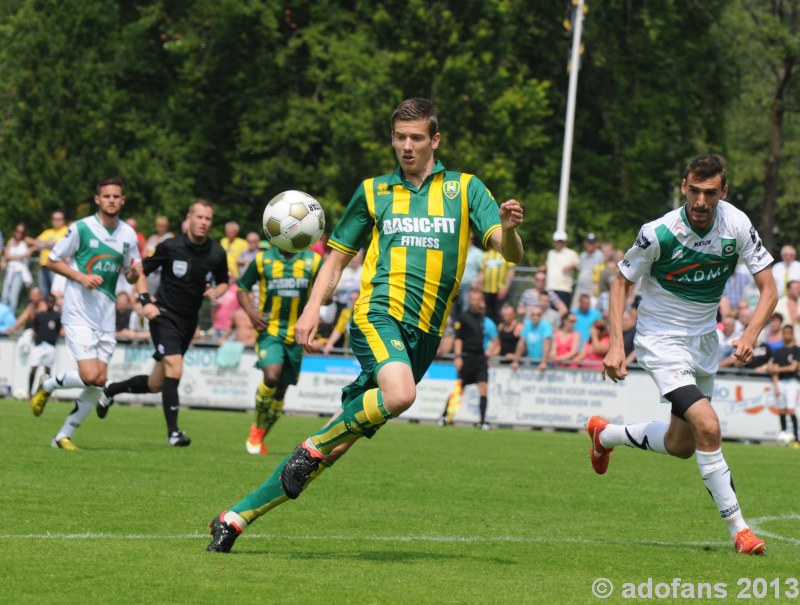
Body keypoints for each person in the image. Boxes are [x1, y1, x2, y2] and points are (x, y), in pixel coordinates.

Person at [205, 97, 524, 553]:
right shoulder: (374, 191)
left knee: (333, 449)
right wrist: (314, 306)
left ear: (435, 139)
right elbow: (337, 257)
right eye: (400, 138)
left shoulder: (466, 188)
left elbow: (509, 252)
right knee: (400, 395)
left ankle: (234, 517)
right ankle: (310, 448)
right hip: (379, 314)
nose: (407, 146)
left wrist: (509, 228)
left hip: (425, 336)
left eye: (416, 137)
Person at [588, 154, 777, 555]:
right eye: (694, 190)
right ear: (683, 187)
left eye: (710, 193)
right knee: (708, 425)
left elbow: (770, 290)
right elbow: (621, 282)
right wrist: (617, 345)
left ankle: (604, 435)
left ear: (723, 192)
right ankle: (739, 530)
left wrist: (751, 332)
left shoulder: (737, 226)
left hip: (704, 342)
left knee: (682, 444)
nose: (701, 201)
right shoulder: (658, 233)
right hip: (661, 340)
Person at [96, 199, 228, 446]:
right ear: (188, 218)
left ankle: (110, 390)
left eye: (208, 219)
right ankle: (174, 433)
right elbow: (139, 271)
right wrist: (145, 300)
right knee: (175, 369)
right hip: (163, 315)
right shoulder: (170, 247)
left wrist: (217, 292)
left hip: (188, 322)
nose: (203, 222)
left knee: (156, 384)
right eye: (199, 217)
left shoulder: (217, 252)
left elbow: (223, 281)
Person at [29, 177, 143, 451]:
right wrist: (80, 276)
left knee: (99, 382)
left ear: (122, 200)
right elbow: (53, 261)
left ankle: (62, 437)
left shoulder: (128, 234)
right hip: (79, 313)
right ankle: (50, 384)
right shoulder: (81, 228)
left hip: (106, 316)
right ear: (98, 200)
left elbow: (129, 271)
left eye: (116, 196)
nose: (112, 200)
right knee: (92, 376)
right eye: (107, 196)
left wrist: (133, 274)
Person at [238, 242, 324, 455]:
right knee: (272, 377)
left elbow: (325, 294)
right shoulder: (262, 259)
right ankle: (256, 427)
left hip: (297, 333)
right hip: (270, 331)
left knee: (282, 389)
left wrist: (326, 293)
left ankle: (261, 434)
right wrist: (251, 313)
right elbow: (242, 288)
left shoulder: (313, 261)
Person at [437, 289, 498, 428]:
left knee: (483, 387)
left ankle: (482, 421)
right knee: (459, 388)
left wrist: (491, 351)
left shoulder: (484, 319)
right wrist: (458, 357)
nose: (475, 303)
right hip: (467, 356)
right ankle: (446, 416)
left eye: (478, 300)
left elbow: (495, 340)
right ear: (470, 301)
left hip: (480, 357)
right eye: (473, 300)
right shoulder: (463, 317)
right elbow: (458, 339)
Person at [767, 324, 800, 446]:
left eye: (788, 333)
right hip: (780, 382)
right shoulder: (779, 352)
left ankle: (796, 438)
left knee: (791, 409)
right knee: (781, 410)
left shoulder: (796, 350)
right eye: (784, 333)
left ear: (792, 334)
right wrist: (775, 385)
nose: (786, 335)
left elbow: (794, 367)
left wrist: (778, 369)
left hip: (792, 382)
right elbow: (773, 370)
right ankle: (783, 433)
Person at [27, 294, 61, 397]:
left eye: (52, 301)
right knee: (34, 368)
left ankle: (45, 393)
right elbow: (34, 325)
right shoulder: (40, 315)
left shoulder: (57, 316)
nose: (50, 302)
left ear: (54, 302)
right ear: (46, 302)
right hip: (39, 345)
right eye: (48, 300)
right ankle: (30, 393)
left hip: (50, 346)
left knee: (47, 371)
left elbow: (58, 329)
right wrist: (36, 334)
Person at [34, 210, 68, 297]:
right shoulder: (48, 231)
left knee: (56, 293)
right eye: (54, 219)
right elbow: (36, 243)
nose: (56, 221)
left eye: (59, 219)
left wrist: (45, 244)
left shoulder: (67, 230)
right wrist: (51, 244)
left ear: (63, 220)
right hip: (44, 265)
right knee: (44, 293)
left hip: (56, 266)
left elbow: (60, 245)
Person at [2, 223, 34, 312]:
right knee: (4, 296)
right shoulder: (11, 241)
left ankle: (10, 322)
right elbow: (7, 256)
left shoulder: (26, 241)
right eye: (17, 231)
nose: (19, 234)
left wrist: (30, 251)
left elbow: (36, 244)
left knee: (13, 298)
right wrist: (21, 256)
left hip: (19, 272)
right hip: (9, 271)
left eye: (22, 232)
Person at [479, 247, 515, 322]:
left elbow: (511, 272)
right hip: (486, 290)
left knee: (500, 314)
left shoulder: (506, 254)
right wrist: (479, 286)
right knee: (487, 313)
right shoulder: (485, 255)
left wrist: (505, 287)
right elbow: (482, 272)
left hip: (500, 290)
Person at [511, 305, 552, 371]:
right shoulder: (527, 325)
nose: (535, 317)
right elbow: (521, 343)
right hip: (531, 361)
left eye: (538, 315)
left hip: (545, 362)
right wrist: (516, 361)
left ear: (541, 316)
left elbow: (546, 344)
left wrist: (543, 362)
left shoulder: (546, 325)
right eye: (533, 315)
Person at [545, 230, 579, 309]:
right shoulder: (551, 253)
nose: (559, 243)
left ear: (564, 242)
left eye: (561, 241)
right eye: (557, 241)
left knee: (563, 313)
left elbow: (578, 267)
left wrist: (572, 266)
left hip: (564, 289)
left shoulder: (571, 253)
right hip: (550, 288)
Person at [144, 215, 174, 295]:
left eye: (163, 226)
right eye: (159, 225)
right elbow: (144, 254)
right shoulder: (152, 238)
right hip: (151, 274)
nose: (160, 228)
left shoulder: (170, 237)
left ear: (166, 226)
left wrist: (153, 254)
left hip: (162, 273)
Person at [573, 232, 605, 305]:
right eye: (589, 242)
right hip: (579, 288)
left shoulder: (600, 255)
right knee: (574, 311)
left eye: (592, 242)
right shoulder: (582, 255)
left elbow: (601, 272)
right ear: (585, 243)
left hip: (591, 289)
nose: (590, 244)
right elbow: (580, 269)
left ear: (596, 243)